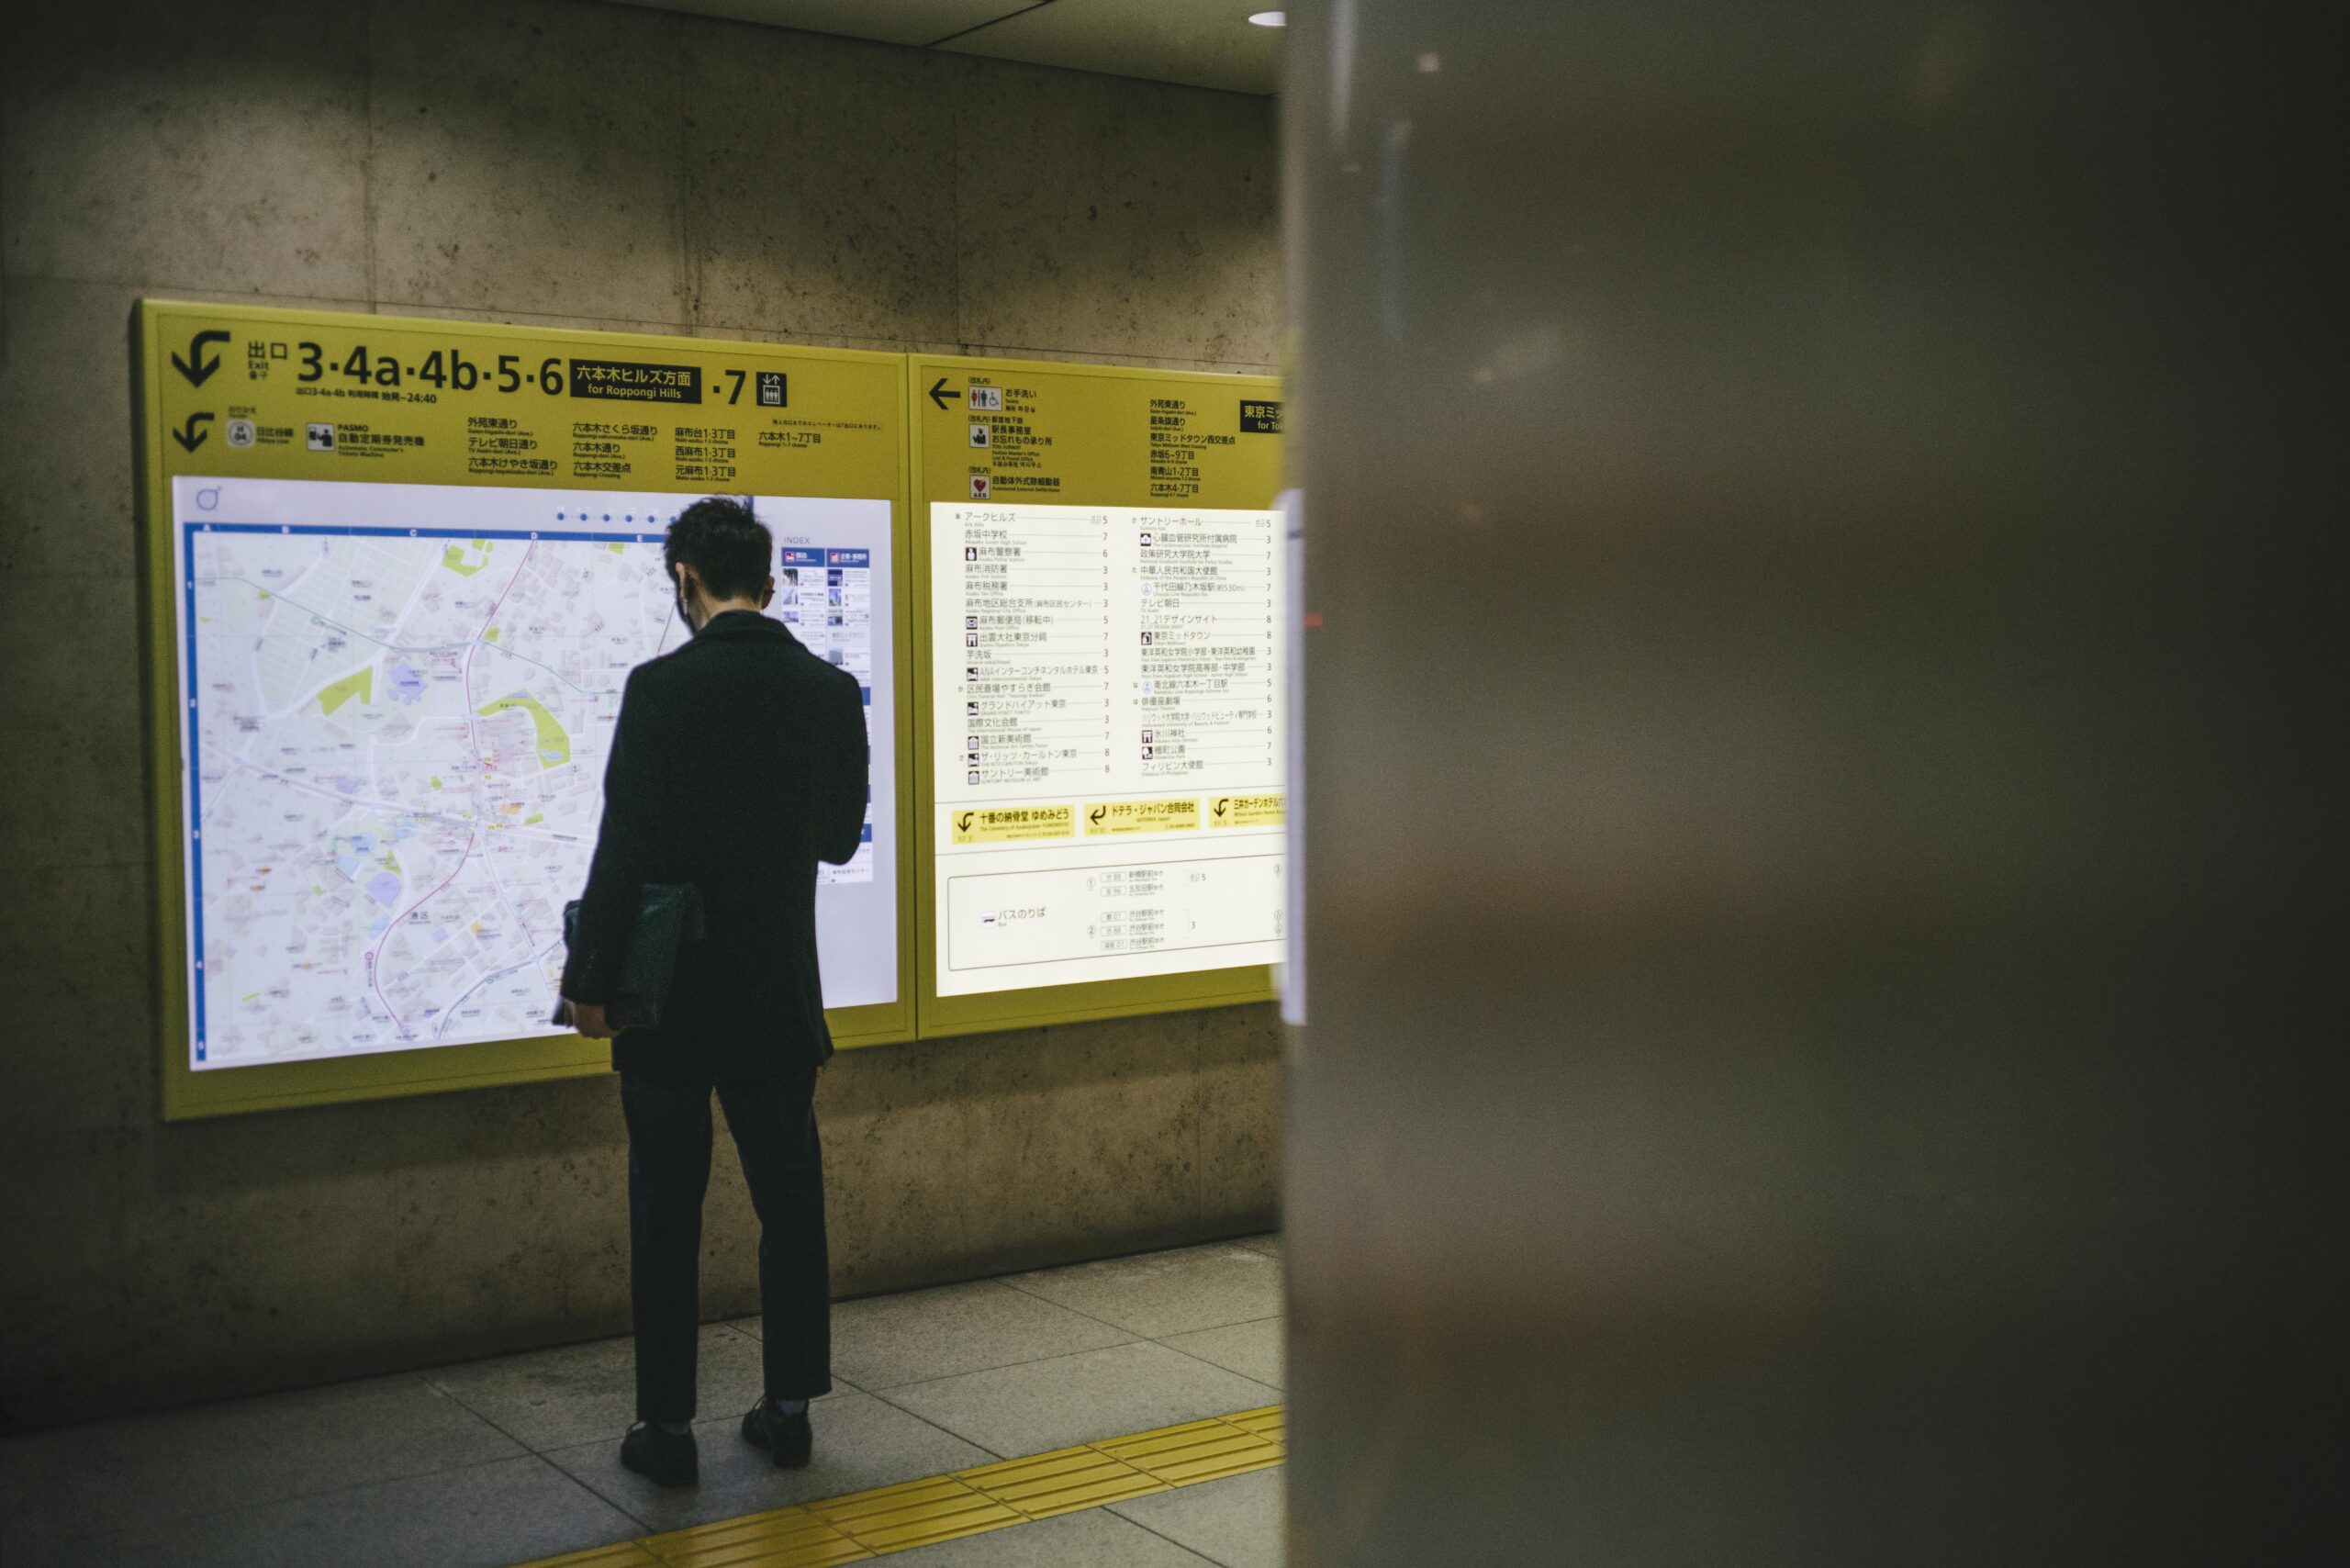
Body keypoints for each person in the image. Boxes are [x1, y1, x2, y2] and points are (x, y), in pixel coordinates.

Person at [557, 497, 868, 1488]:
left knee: (666, 1202)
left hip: (670, 1001)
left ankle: (667, 1428)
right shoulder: (830, 690)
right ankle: (787, 1410)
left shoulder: (658, 688)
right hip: (777, 993)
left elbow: (623, 849)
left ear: (683, 579)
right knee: (791, 1200)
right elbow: (833, 837)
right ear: (768, 584)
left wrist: (588, 981)